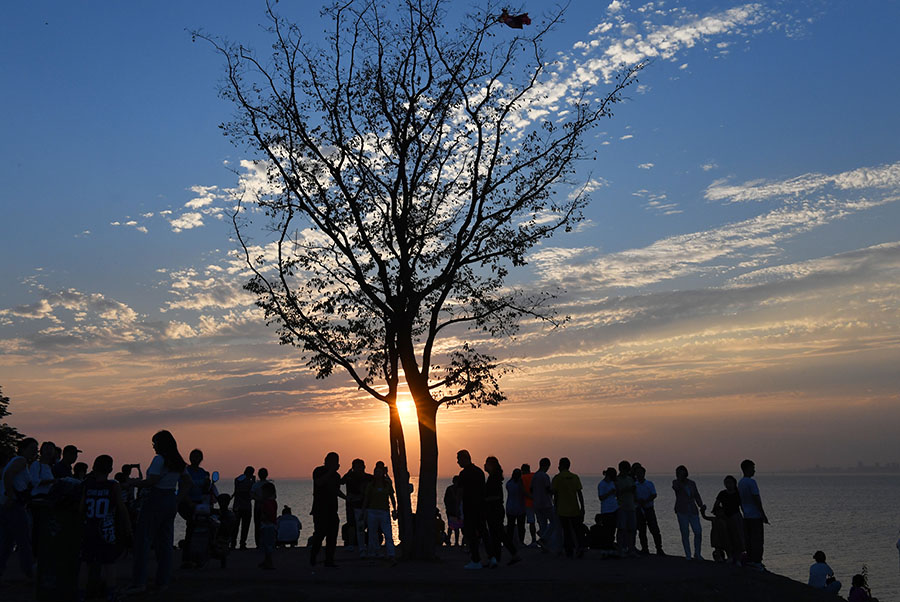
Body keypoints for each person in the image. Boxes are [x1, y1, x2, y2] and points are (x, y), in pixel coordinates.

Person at [127, 430, 191, 594]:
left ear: (161, 444)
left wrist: (133, 484)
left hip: (155, 499)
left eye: (155, 443)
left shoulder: (159, 459)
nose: (153, 446)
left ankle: (139, 582)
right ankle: (163, 581)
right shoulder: (178, 461)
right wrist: (177, 499)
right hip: (170, 500)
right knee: (165, 543)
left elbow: (152, 481)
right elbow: (187, 483)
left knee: (143, 541)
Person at [81, 454, 132, 600]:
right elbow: (122, 509)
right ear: (109, 468)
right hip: (106, 530)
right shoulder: (113, 486)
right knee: (109, 563)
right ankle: (111, 592)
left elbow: (81, 508)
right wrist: (128, 529)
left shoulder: (87, 485)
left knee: (86, 563)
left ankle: (82, 593)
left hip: (89, 528)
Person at [0, 437, 38, 582]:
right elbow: (8, 475)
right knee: (23, 540)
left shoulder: (17, 461)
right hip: (15, 506)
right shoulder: (21, 461)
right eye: (32, 448)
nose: (35, 451)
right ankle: (29, 572)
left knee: (6, 542)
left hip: (8, 506)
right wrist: (11, 494)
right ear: (23, 449)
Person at [309, 452, 345, 568]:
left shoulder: (336, 476)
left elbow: (336, 490)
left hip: (332, 509)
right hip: (319, 509)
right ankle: (313, 556)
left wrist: (346, 498)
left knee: (332, 536)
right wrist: (330, 471)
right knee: (319, 535)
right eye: (332, 461)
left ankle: (329, 560)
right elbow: (319, 482)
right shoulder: (318, 471)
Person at [484, 456, 521, 566]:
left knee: (498, 533)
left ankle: (512, 554)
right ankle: (496, 558)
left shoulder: (493, 478)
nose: (484, 465)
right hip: (496, 509)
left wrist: (484, 499)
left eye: (486, 463)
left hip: (494, 509)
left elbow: (496, 496)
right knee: (496, 534)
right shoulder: (495, 477)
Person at [181, 448, 214, 567]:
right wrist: (189, 503)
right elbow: (182, 489)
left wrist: (207, 483)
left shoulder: (202, 472)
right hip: (188, 503)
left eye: (198, 457)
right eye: (193, 457)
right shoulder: (185, 471)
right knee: (190, 528)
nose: (195, 459)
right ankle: (187, 557)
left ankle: (202, 554)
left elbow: (207, 490)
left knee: (206, 527)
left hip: (201, 503)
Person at [457, 449, 490, 569]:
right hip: (481, 506)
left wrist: (457, 507)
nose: (457, 462)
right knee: (483, 532)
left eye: (459, 459)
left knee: (471, 534)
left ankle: (476, 560)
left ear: (465, 459)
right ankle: (492, 557)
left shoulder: (464, 474)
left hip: (469, 507)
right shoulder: (479, 472)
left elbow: (460, 492)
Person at [362, 464, 397, 564]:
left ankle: (391, 554)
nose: (377, 474)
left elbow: (392, 497)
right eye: (376, 472)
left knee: (388, 534)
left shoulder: (387, 484)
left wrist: (395, 509)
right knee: (372, 534)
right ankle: (373, 553)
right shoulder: (371, 485)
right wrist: (364, 511)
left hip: (384, 512)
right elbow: (366, 498)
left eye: (379, 472)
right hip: (372, 512)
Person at [551, 457, 585, 559]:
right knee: (577, 530)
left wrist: (555, 507)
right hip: (575, 508)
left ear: (561, 466)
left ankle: (569, 551)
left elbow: (555, 494)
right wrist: (582, 507)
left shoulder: (557, 478)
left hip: (562, 510)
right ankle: (580, 547)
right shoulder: (575, 477)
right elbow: (579, 493)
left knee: (566, 531)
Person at [738, 459, 768, 570]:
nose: (754, 471)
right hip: (755, 516)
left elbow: (740, 500)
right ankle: (757, 561)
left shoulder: (740, 483)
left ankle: (750, 559)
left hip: (746, 515)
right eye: (752, 468)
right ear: (747, 469)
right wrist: (763, 514)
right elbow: (756, 499)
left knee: (749, 539)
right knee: (758, 539)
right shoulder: (752, 482)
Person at [29, 440, 56, 558]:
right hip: (38, 500)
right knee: (38, 529)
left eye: (51, 450)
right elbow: (34, 481)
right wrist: (52, 482)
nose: (49, 452)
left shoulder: (51, 467)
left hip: (47, 501)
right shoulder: (36, 465)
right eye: (47, 449)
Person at [672, 464, 705, 560]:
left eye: (682, 473)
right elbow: (676, 488)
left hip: (693, 509)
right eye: (679, 473)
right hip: (681, 510)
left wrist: (701, 505)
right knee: (685, 532)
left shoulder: (692, 483)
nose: (681, 475)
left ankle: (697, 553)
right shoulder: (676, 482)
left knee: (698, 531)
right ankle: (688, 554)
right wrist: (680, 481)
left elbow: (696, 495)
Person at [340, 459, 372, 554]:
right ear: (353, 468)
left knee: (367, 525)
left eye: (361, 466)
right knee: (351, 524)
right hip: (351, 505)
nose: (360, 469)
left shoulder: (368, 477)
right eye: (357, 467)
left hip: (364, 505)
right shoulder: (349, 477)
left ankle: (369, 544)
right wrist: (347, 474)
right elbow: (341, 482)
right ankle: (351, 544)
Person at [712, 475, 743, 564]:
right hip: (725, 518)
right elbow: (716, 505)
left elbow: (742, 506)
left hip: (736, 517)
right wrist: (719, 513)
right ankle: (729, 556)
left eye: (730, 483)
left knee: (738, 538)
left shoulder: (738, 493)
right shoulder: (722, 494)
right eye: (726, 483)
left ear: (734, 483)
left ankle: (738, 558)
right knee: (726, 538)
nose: (728, 485)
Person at [633, 464, 664, 556]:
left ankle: (659, 548)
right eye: (637, 473)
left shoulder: (649, 484)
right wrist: (639, 501)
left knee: (654, 529)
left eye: (640, 473)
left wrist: (645, 501)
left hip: (649, 508)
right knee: (642, 530)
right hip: (639, 508)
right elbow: (633, 496)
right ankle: (645, 548)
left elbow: (654, 494)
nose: (639, 475)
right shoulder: (635, 485)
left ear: (644, 473)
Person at [531, 457, 555, 550]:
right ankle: (544, 539)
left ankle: (545, 546)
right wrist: (554, 491)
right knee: (554, 522)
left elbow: (531, 489)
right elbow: (548, 489)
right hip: (546, 503)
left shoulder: (535, 476)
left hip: (536, 503)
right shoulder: (544, 476)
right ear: (546, 465)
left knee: (542, 524)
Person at [615, 461, 637, 556]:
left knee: (632, 529)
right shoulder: (616, 480)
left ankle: (631, 549)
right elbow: (616, 493)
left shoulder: (630, 479)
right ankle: (621, 549)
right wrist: (625, 490)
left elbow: (634, 491)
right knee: (621, 529)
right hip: (621, 507)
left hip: (631, 507)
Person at [232, 466, 255, 550]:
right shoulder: (249, 481)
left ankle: (234, 543)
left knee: (236, 526)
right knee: (244, 526)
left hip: (238, 506)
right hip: (245, 507)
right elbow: (252, 491)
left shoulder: (238, 479)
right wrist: (253, 481)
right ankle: (241, 543)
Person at [596, 467, 619, 552]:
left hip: (615, 508)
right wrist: (610, 492)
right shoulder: (601, 484)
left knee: (613, 528)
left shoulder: (612, 483)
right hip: (606, 510)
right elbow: (601, 497)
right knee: (607, 529)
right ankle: (606, 545)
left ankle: (611, 544)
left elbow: (616, 494)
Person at [252, 467, 273, 549]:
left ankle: (259, 543)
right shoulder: (270, 484)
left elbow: (252, 495)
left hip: (259, 505)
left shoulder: (256, 485)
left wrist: (259, 499)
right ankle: (267, 542)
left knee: (258, 525)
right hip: (266, 505)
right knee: (268, 524)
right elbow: (274, 496)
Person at [257, 482, 277, 570]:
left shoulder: (267, 503)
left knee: (267, 545)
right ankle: (266, 561)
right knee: (266, 545)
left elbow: (270, 513)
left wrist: (264, 517)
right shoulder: (272, 502)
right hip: (270, 525)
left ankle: (270, 563)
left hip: (268, 526)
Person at [505, 468, 527, 547]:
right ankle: (521, 541)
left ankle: (509, 541)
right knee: (521, 526)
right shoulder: (519, 484)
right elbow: (523, 492)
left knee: (510, 526)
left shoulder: (508, 483)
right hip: (520, 507)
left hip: (510, 507)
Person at [520, 464, 537, 546]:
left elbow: (522, 491)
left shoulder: (522, 478)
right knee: (541, 521)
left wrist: (530, 497)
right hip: (537, 502)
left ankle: (533, 540)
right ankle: (542, 539)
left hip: (527, 503)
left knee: (531, 522)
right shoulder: (534, 476)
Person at [443, 476, 462, 546]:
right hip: (453, 510)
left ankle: (453, 541)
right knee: (454, 526)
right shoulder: (454, 489)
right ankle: (453, 541)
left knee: (453, 526)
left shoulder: (451, 489)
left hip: (453, 510)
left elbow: (445, 500)